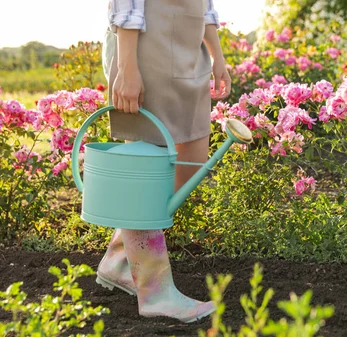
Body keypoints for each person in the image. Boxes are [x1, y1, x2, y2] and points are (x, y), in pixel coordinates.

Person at [96, 0, 231, 323]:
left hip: (189, 47)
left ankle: (120, 260)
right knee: (147, 164)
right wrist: (127, 68)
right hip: (144, 47)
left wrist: (217, 54)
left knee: (193, 160)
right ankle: (155, 291)